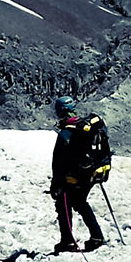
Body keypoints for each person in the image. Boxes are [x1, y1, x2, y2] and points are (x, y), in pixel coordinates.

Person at [49, 95, 112, 252]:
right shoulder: (86, 128)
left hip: (73, 178)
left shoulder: (66, 134)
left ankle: (68, 241)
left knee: (63, 205)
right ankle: (96, 237)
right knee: (80, 202)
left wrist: (56, 184)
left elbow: (58, 163)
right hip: (90, 174)